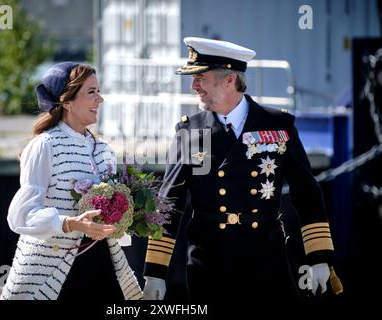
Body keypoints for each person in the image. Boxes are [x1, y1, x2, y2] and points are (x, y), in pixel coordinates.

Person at [142, 37, 342, 302]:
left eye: (200, 77)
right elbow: (170, 202)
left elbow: (307, 193)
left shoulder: (277, 125)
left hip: (266, 260)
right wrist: (155, 271)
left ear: (229, 80)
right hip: (209, 263)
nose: (193, 86)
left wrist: (319, 258)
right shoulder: (190, 131)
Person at [0, 62, 142, 300]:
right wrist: (71, 223)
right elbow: (20, 216)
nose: (100, 99)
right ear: (66, 101)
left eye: (99, 91)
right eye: (91, 92)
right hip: (53, 271)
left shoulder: (104, 149)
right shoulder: (44, 146)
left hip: (102, 264)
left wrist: (128, 214)